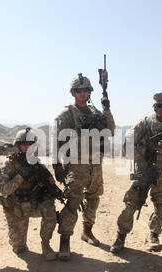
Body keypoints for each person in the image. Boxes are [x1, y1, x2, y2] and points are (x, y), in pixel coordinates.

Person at [110, 90, 162, 253]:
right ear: (154, 107)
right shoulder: (143, 124)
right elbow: (127, 145)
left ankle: (154, 235)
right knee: (131, 205)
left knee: (160, 206)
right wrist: (142, 159)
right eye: (160, 106)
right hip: (144, 172)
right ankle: (120, 236)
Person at [53, 73, 115, 261]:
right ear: (73, 93)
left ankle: (87, 231)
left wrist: (106, 108)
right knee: (73, 201)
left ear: (90, 92)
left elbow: (111, 130)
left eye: (86, 90)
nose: (82, 93)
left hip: (95, 162)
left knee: (94, 199)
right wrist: (57, 165)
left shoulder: (96, 112)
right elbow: (57, 141)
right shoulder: (66, 114)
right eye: (79, 90)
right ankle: (65, 240)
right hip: (76, 163)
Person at [0, 128, 58, 261]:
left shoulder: (37, 164)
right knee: (19, 248)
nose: (26, 147)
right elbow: (4, 189)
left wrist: (50, 192)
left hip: (33, 204)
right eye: (23, 144)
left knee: (49, 208)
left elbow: (50, 184)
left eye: (30, 144)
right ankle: (17, 241)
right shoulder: (10, 163)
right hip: (16, 206)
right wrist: (20, 176)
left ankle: (45, 244)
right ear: (17, 145)